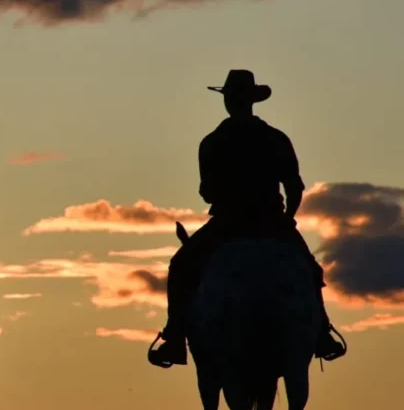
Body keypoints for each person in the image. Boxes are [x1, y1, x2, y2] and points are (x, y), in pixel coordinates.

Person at [148, 70, 347, 369]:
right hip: (271, 222)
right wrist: (287, 219)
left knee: (181, 266)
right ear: (252, 101)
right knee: (309, 269)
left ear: (230, 101)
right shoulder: (276, 138)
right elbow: (294, 187)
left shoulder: (212, 142)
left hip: (228, 225)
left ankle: (175, 338)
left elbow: (206, 192)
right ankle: (322, 333)